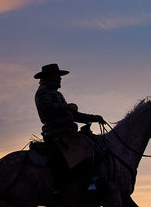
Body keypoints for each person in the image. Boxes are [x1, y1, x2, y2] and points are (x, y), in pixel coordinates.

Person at [34, 63, 104, 192]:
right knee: (85, 146)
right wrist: (65, 107)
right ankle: (87, 181)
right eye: (58, 76)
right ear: (50, 77)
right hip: (56, 132)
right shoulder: (42, 92)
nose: (60, 79)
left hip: (66, 130)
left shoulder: (57, 94)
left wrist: (93, 118)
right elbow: (46, 109)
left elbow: (72, 114)